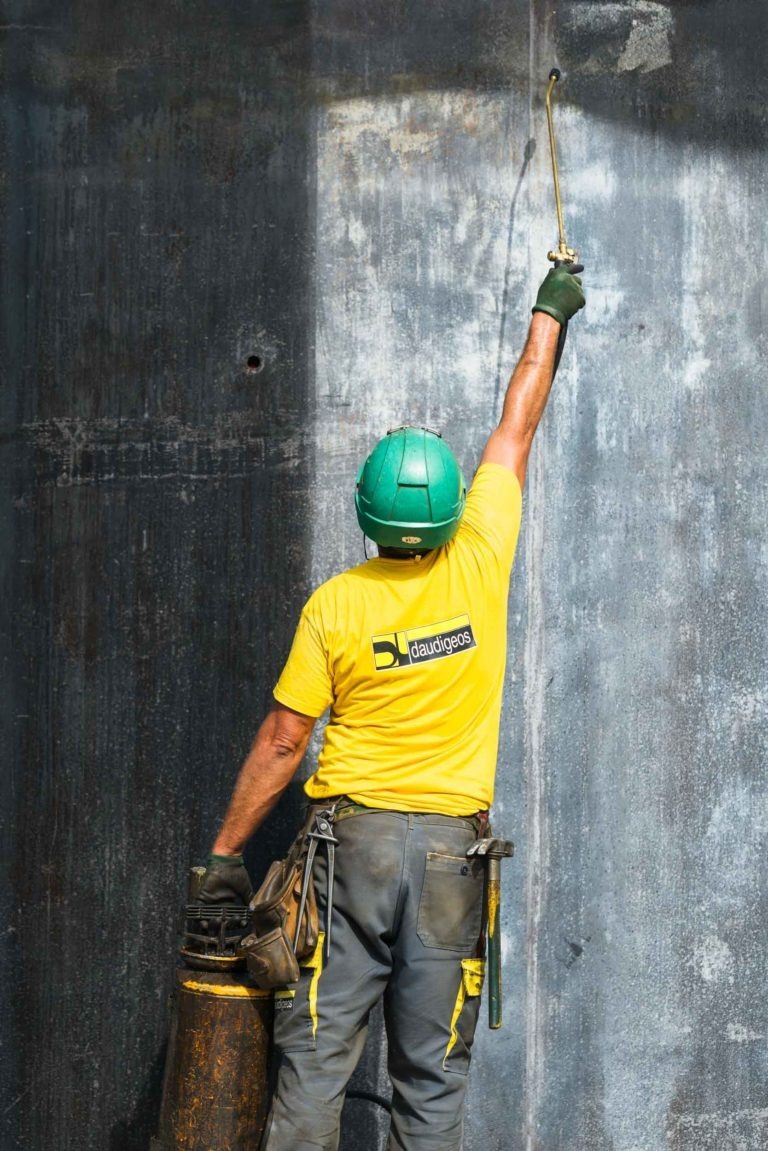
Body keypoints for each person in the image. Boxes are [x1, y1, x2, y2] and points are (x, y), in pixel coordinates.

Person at [198, 265, 585, 1151]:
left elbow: (286, 737)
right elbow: (518, 418)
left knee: (314, 1072)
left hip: (351, 854)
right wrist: (550, 310)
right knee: (431, 1089)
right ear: (452, 510)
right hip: (454, 856)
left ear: (367, 514)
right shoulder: (483, 554)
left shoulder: (337, 604)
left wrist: (222, 854)